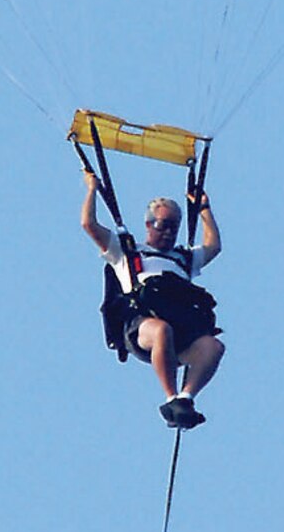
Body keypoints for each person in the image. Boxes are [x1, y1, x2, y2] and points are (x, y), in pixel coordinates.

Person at [81, 173, 225, 428]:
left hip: (181, 334)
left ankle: (185, 398)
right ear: (148, 225)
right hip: (142, 328)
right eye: (162, 225)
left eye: (174, 226)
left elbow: (213, 246)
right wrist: (92, 189)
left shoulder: (184, 259)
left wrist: (204, 209)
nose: (168, 232)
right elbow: (89, 224)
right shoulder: (126, 251)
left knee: (213, 346)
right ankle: (170, 398)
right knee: (162, 330)